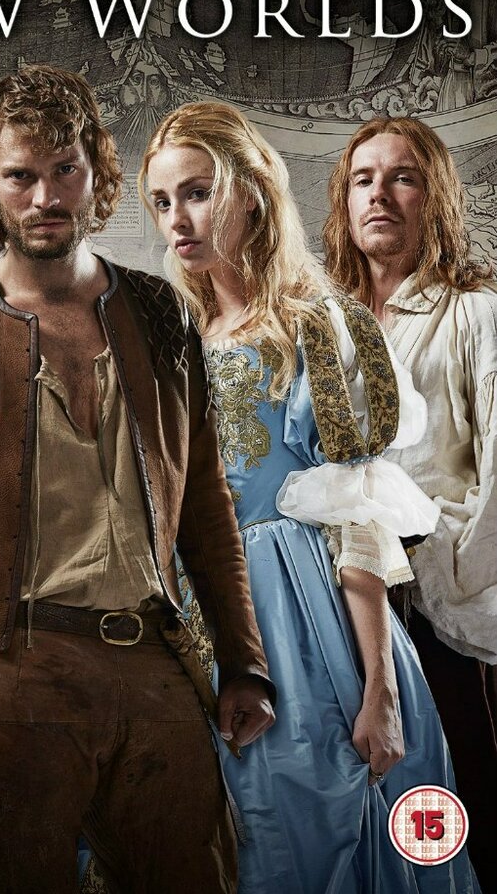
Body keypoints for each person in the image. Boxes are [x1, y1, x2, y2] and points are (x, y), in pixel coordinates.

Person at [0, 65, 276, 894]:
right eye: (20, 175)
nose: (45, 197)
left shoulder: (160, 314)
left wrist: (243, 661)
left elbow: (206, 507)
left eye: (65, 170)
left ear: (96, 171)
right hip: (5, 680)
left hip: (149, 662)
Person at [139, 101, 480, 894]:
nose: (176, 219)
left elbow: (358, 512)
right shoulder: (174, 336)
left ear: (252, 194)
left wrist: (379, 690)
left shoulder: (315, 325)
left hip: (302, 612)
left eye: (197, 192)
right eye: (160, 201)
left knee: (318, 830)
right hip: (199, 609)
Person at [323, 116, 497, 890]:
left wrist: (444, 576)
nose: (379, 195)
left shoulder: (473, 312)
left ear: (434, 198)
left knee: (464, 809)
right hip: (340, 599)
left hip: (444, 606)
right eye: (362, 179)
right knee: (366, 813)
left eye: (402, 177)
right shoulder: (325, 324)